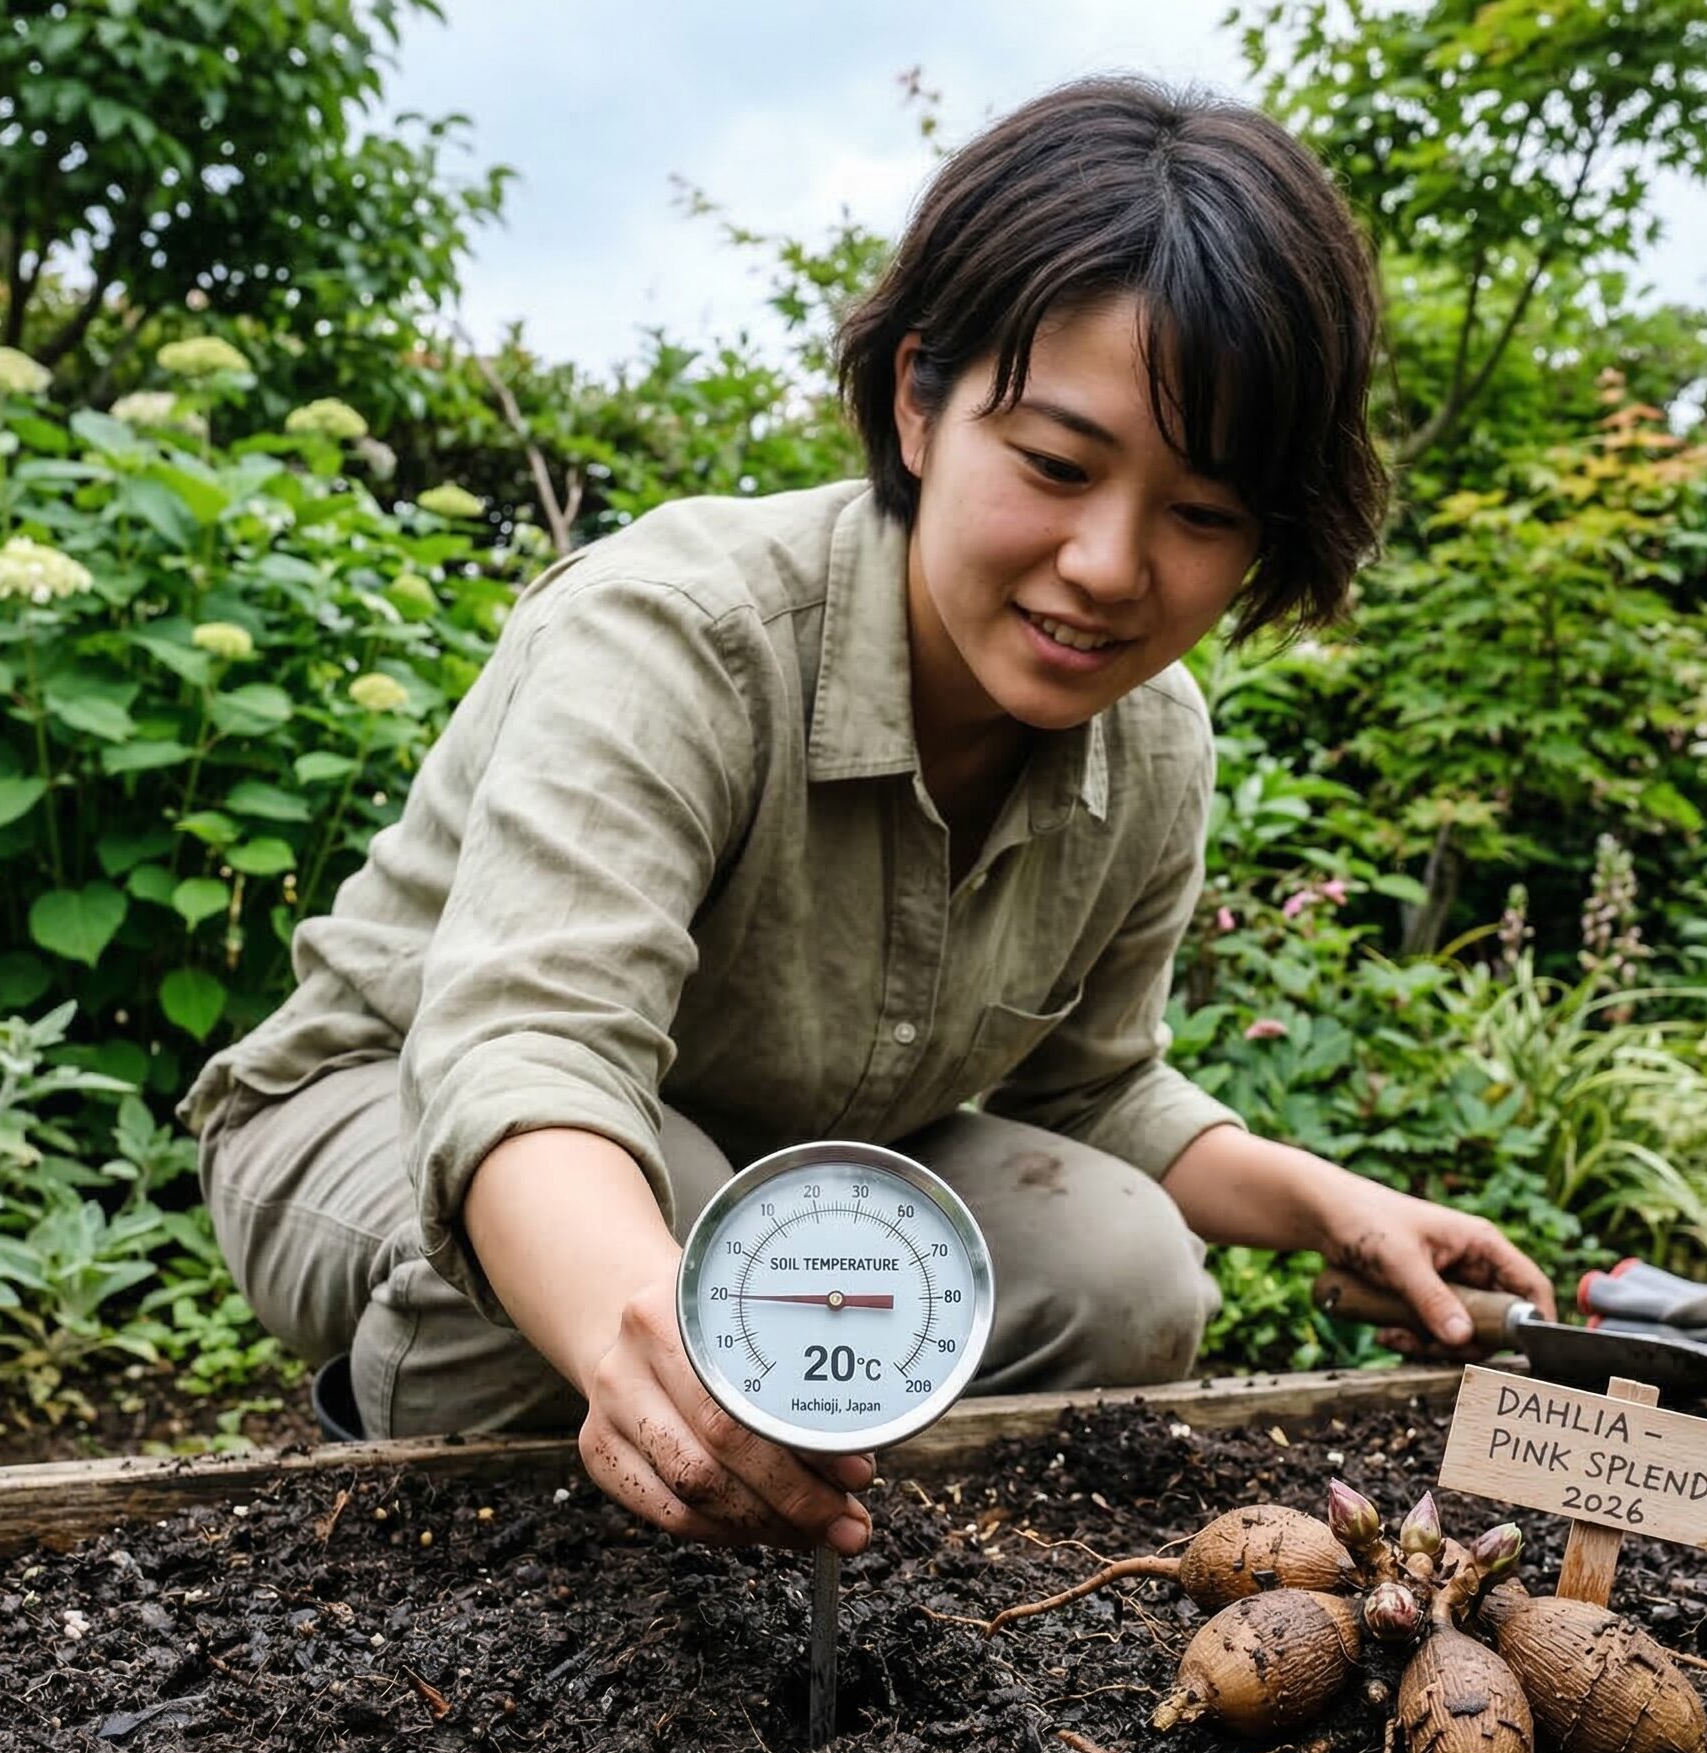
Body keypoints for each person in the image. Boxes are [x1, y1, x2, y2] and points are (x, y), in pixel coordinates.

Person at [180, 76, 1556, 1558]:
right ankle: (437, 1505)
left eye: (1203, 516)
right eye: (1055, 466)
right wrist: (656, 1332)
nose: (1108, 566)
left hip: (760, 1169)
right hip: (384, 1103)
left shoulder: (1152, 744)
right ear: (919, 401)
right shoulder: (684, 633)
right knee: (695, 1252)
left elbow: (1089, 1091)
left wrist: (1327, 1205)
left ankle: (793, 1509)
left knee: (1126, 1271)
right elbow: (531, 1059)